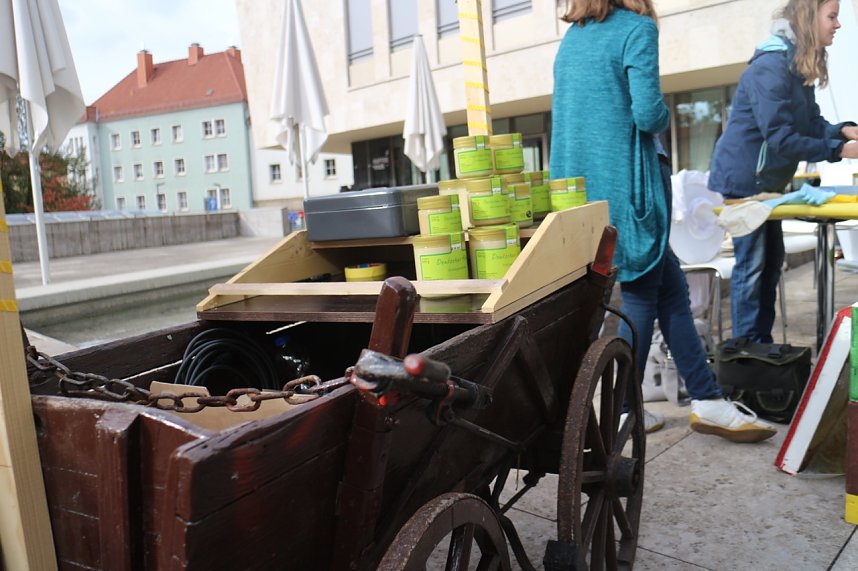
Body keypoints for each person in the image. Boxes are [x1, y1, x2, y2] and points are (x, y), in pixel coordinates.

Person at [550, 0, 776, 442]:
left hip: (580, 193)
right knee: (641, 290)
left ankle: (708, 400)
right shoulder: (636, 30)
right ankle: (619, 413)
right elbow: (649, 113)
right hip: (628, 188)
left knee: (669, 288)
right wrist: (670, 116)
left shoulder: (573, 38)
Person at [709, 0, 858, 343]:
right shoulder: (772, 66)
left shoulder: (795, 64)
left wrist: (842, 131)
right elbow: (780, 138)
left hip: (767, 183)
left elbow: (810, 124)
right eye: (832, 16)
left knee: (771, 265)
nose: (837, 25)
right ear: (809, 17)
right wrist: (838, 150)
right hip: (745, 181)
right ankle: (748, 352)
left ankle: (760, 348)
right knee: (753, 269)